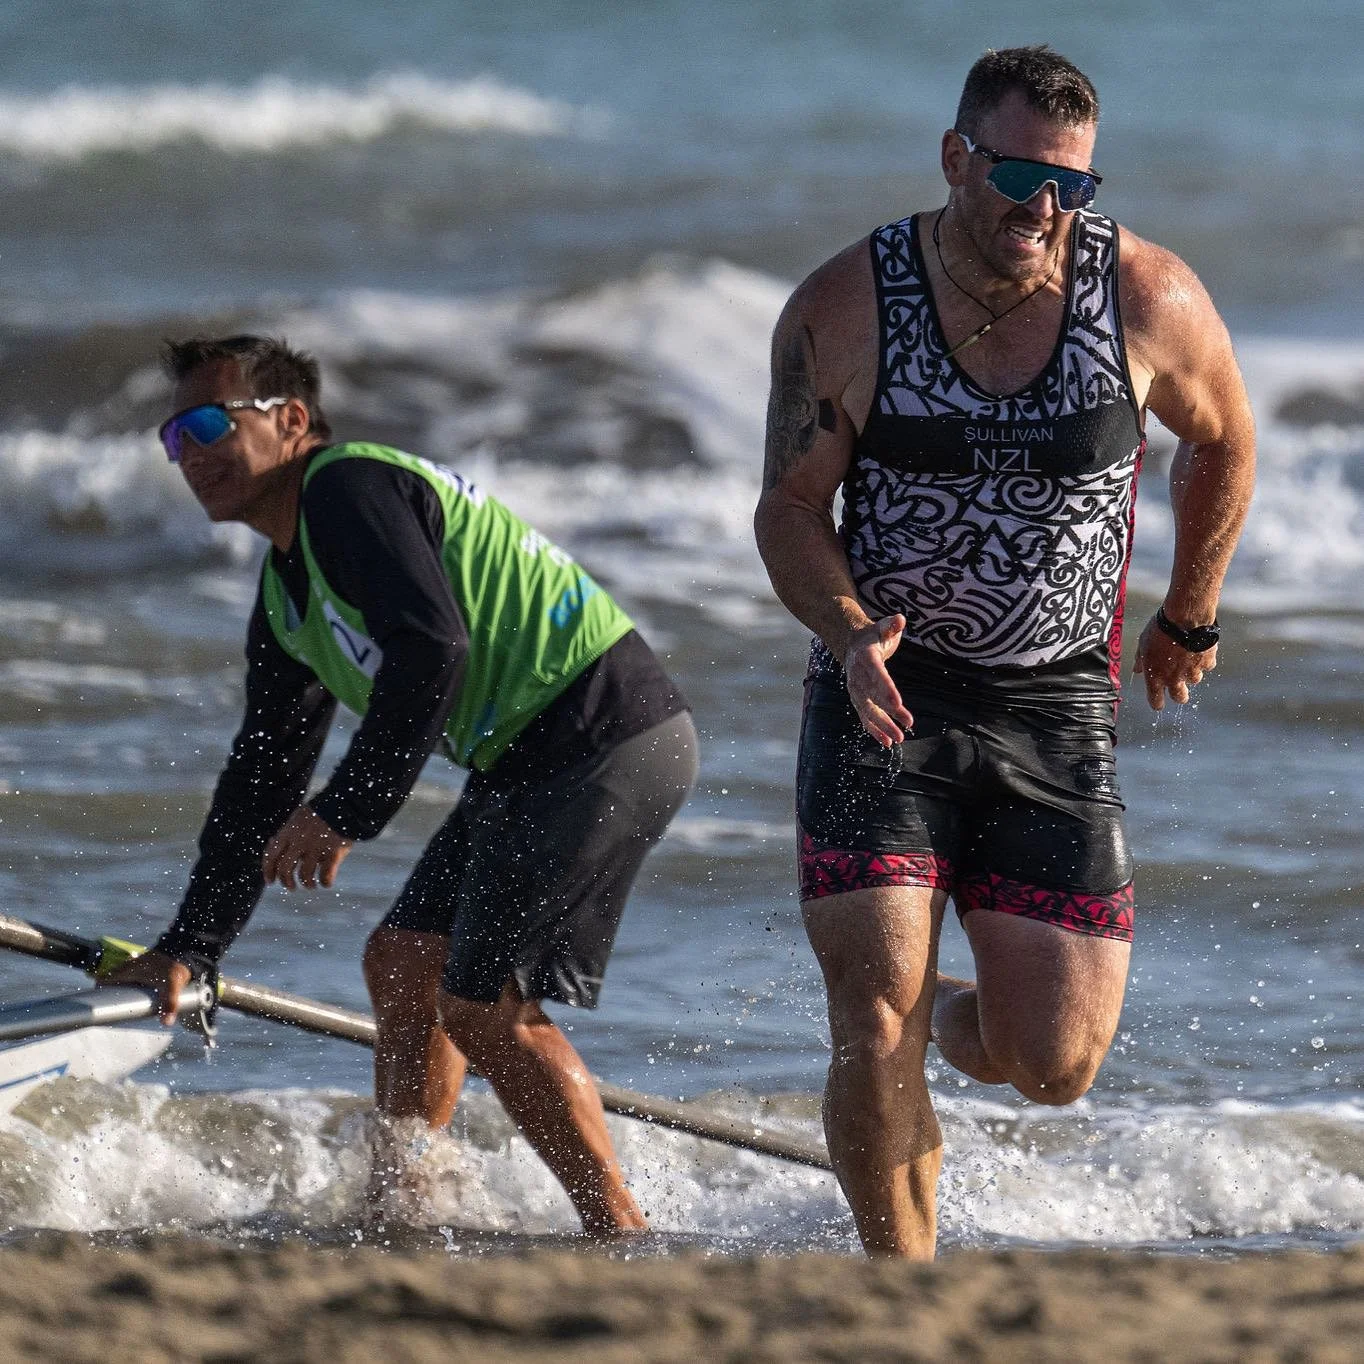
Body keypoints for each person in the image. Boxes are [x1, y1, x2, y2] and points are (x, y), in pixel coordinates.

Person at [754, 45, 1254, 1258]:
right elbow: (787, 510)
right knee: (869, 1023)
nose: (1043, 208)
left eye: (1069, 185)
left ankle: (952, 1021)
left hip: (1055, 708)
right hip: (886, 697)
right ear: (954, 156)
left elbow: (1222, 439)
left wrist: (1186, 612)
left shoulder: (1143, 296)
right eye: (1019, 175)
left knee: (1054, 1062)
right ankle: (900, 1297)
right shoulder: (845, 306)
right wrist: (844, 627)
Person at [110, 334, 698, 1236]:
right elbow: (263, 772)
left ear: (292, 421)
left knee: (481, 1002)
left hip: (605, 731)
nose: (190, 453)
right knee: (407, 963)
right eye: (173, 437)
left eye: (206, 423)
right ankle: (405, 1197)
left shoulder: (346, 490)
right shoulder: (286, 590)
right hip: (532, 755)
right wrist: (194, 943)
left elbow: (434, 649)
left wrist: (347, 812)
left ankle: (622, 1230)